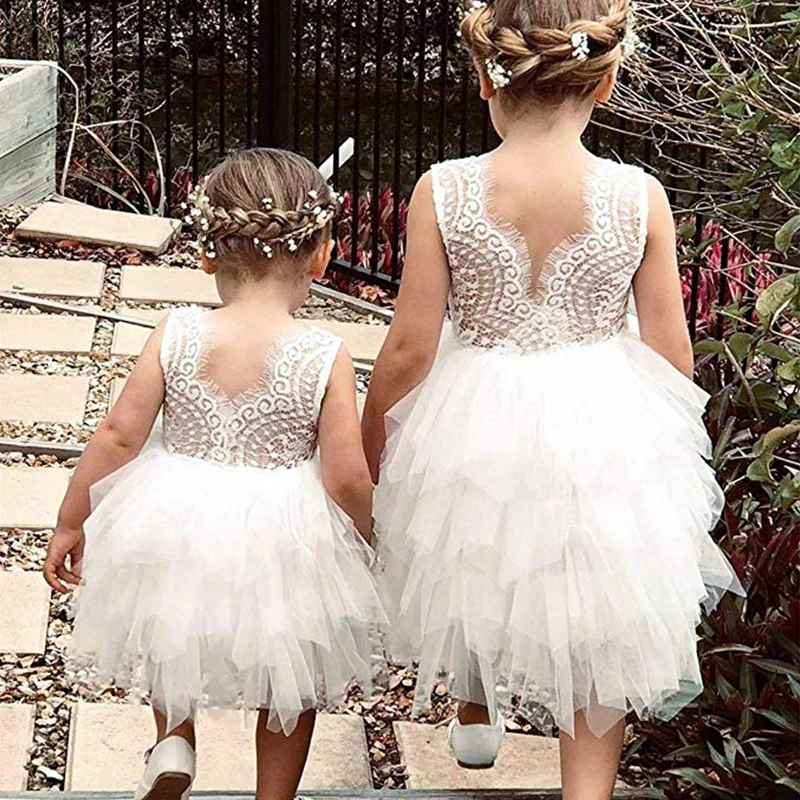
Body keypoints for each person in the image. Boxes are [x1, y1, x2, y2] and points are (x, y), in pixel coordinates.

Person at [361, 1, 743, 797]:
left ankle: (474, 703)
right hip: (599, 421)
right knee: (598, 613)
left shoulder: (445, 190)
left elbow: (410, 347)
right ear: (605, 83)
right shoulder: (638, 196)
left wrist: (375, 440)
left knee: (469, 547)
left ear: (485, 77)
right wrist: (666, 450)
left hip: (472, 411)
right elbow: (671, 352)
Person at [44, 149, 385, 800]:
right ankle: (273, 795)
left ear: (206, 254)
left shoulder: (176, 332)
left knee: (170, 624)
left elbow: (119, 434)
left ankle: (174, 738)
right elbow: (345, 475)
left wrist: (71, 518)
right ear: (320, 257)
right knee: (293, 671)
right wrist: (371, 536)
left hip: (177, 516)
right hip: (284, 537)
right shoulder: (323, 353)